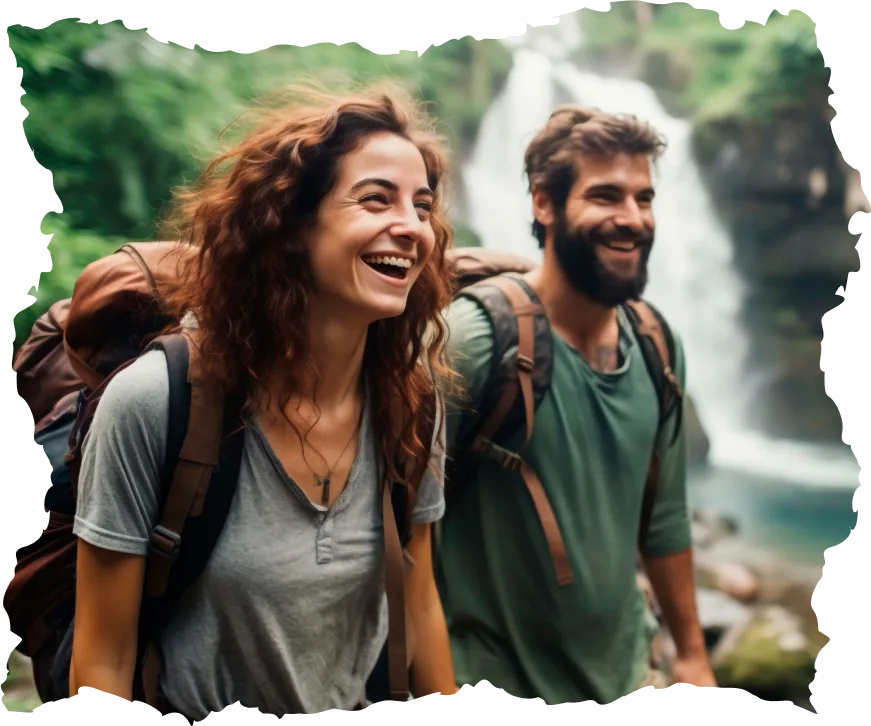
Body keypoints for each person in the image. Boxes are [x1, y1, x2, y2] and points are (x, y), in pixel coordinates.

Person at [68, 82, 458, 719]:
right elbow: (103, 661)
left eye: (422, 206)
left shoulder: (409, 402)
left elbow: (418, 605)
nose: (411, 228)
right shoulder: (155, 404)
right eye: (375, 200)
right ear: (291, 225)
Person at [435, 106, 716, 706]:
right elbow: (397, 527)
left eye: (644, 198)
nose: (633, 218)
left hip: (627, 675)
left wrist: (692, 657)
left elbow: (664, 521)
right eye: (607, 196)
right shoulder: (478, 341)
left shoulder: (656, 345)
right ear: (544, 203)